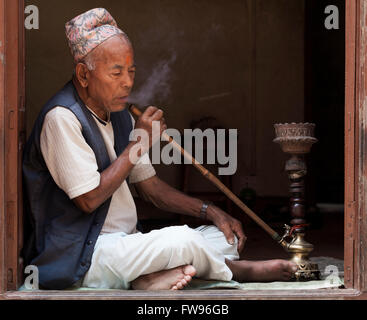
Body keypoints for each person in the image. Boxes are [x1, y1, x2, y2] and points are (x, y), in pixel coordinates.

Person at [22, 8, 298, 290]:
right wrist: (138, 143)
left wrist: (211, 211)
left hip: (127, 245)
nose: (127, 82)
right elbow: (89, 198)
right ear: (83, 74)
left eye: (131, 71)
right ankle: (236, 271)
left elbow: (151, 187)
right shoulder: (62, 118)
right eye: (116, 72)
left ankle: (147, 277)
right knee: (184, 241)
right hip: (84, 256)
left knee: (220, 236)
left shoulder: (119, 114)